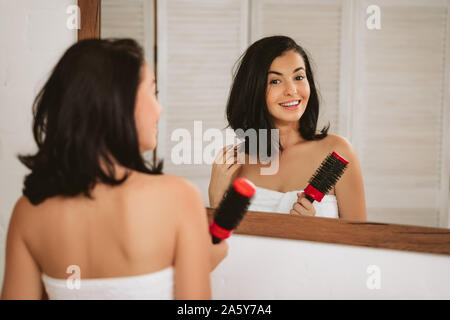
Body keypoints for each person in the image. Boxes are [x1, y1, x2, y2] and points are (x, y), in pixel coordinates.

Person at [1, 38, 227, 300]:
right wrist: (202, 261)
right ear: (120, 103)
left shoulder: (28, 212)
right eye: (153, 92)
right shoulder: (178, 197)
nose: (159, 108)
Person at [209, 36, 366, 221]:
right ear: (253, 90)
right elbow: (222, 245)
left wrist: (317, 230)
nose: (291, 90)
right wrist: (215, 197)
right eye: (275, 81)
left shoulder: (338, 152)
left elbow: (360, 245)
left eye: (299, 77)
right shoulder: (233, 163)